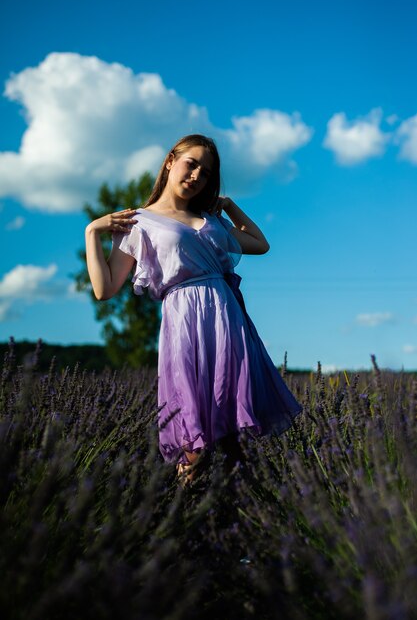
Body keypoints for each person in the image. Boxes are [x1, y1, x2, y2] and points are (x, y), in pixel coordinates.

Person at [85, 134, 302, 483]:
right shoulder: (138, 222)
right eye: (192, 163)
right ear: (171, 160)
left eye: (206, 172)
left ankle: (236, 513)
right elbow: (105, 288)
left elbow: (260, 244)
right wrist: (92, 231)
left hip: (228, 321)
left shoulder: (211, 219)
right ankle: (189, 511)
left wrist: (228, 205)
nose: (197, 175)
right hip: (184, 321)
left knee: (234, 426)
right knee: (193, 427)